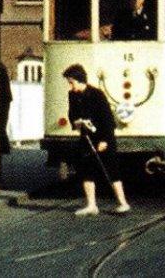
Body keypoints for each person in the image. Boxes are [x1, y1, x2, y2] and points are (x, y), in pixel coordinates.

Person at [63, 64, 131, 216]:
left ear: (80, 80)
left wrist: (105, 140)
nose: (70, 85)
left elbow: (107, 119)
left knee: (111, 169)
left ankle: (122, 202)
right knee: (86, 170)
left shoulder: (97, 94)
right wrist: (77, 122)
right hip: (86, 138)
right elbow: (72, 115)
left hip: (103, 137)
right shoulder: (72, 95)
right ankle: (91, 205)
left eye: (71, 82)